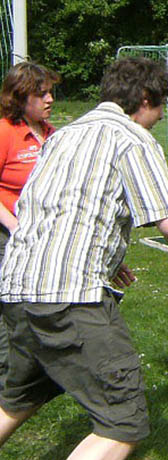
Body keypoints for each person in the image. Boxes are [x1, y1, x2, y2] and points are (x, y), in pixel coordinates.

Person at [0, 57, 168, 460]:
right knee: (123, 420)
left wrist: (109, 256)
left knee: (15, 399)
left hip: (16, 288)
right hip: (68, 298)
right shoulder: (132, 138)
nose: (160, 117)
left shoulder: (62, 136)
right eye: (160, 107)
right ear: (145, 100)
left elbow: (52, 208)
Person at [0, 62, 60, 387]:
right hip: (7, 236)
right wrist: (13, 225)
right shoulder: (5, 132)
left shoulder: (52, 134)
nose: (50, 99)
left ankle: (33, 374)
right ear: (20, 98)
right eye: (42, 94)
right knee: (11, 311)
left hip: (39, 237)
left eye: (51, 92)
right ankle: (10, 382)